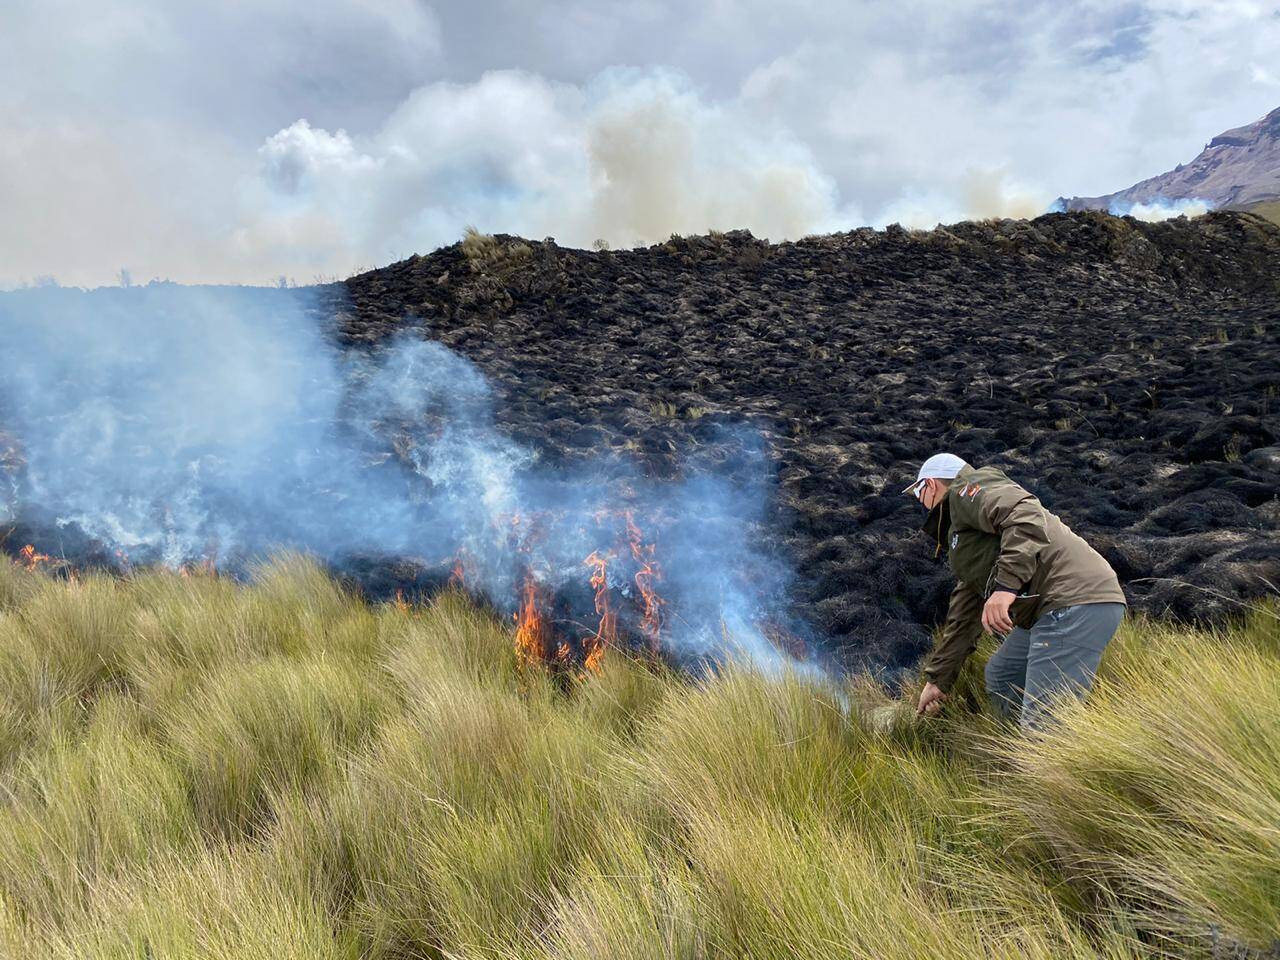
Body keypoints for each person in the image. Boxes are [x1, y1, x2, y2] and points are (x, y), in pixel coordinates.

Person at [906, 453, 1127, 729]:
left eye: (916, 491)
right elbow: (964, 614)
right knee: (1004, 674)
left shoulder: (969, 489)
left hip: (1073, 601)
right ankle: (1016, 753)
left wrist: (1004, 589)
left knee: (1045, 726)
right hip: (1050, 606)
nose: (918, 500)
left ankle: (1043, 759)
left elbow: (1024, 515)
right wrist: (938, 681)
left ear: (930, 484)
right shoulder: (963, 532)